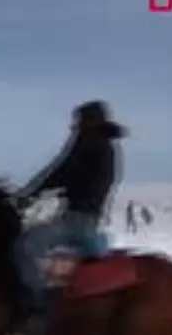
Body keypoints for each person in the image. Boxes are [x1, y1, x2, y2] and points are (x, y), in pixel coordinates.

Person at [12, 100, 127, 318]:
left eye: (79, 120)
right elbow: (64, 173)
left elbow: (61, 172)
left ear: (89, 122)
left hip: (78, 217)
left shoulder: (90, 143)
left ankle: (37, 304)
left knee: (26, 245)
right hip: (88, 215)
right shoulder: (102, 144)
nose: (74, 125)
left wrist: (29, 195)